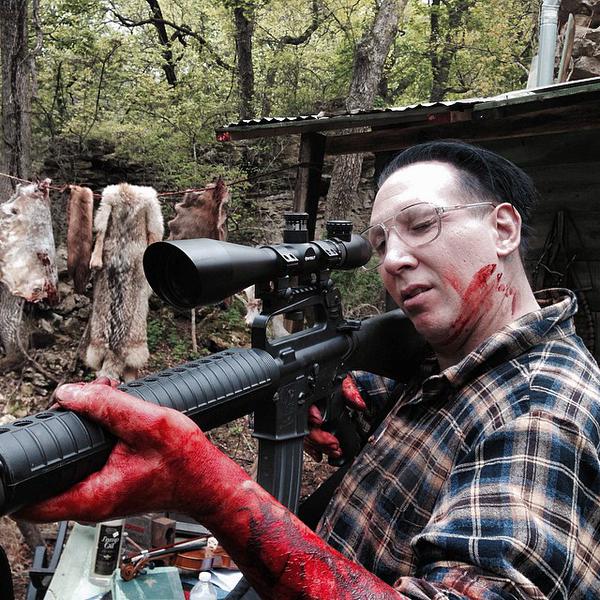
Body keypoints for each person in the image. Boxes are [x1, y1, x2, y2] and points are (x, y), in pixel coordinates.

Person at [19, 141, 600, 599]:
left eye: (422, 223)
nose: (394, 259)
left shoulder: (541, 412)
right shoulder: (449, 356)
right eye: (380, 241)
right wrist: (346, 401)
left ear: (503, 229)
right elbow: (429, 418)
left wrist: (213, 492)